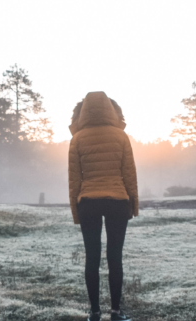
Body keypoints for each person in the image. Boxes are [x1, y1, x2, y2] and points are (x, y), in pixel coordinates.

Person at [68, 91, 138, 321]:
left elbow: (74, 180)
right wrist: (133, 204)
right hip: (117, 201)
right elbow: (129, 173)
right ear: (110, 109)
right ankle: (116, 312)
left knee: (92, 257)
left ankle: (95, 312)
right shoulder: (121, 136)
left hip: (88, 202)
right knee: (115, 256)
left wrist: (76, 211)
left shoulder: (77, 138)